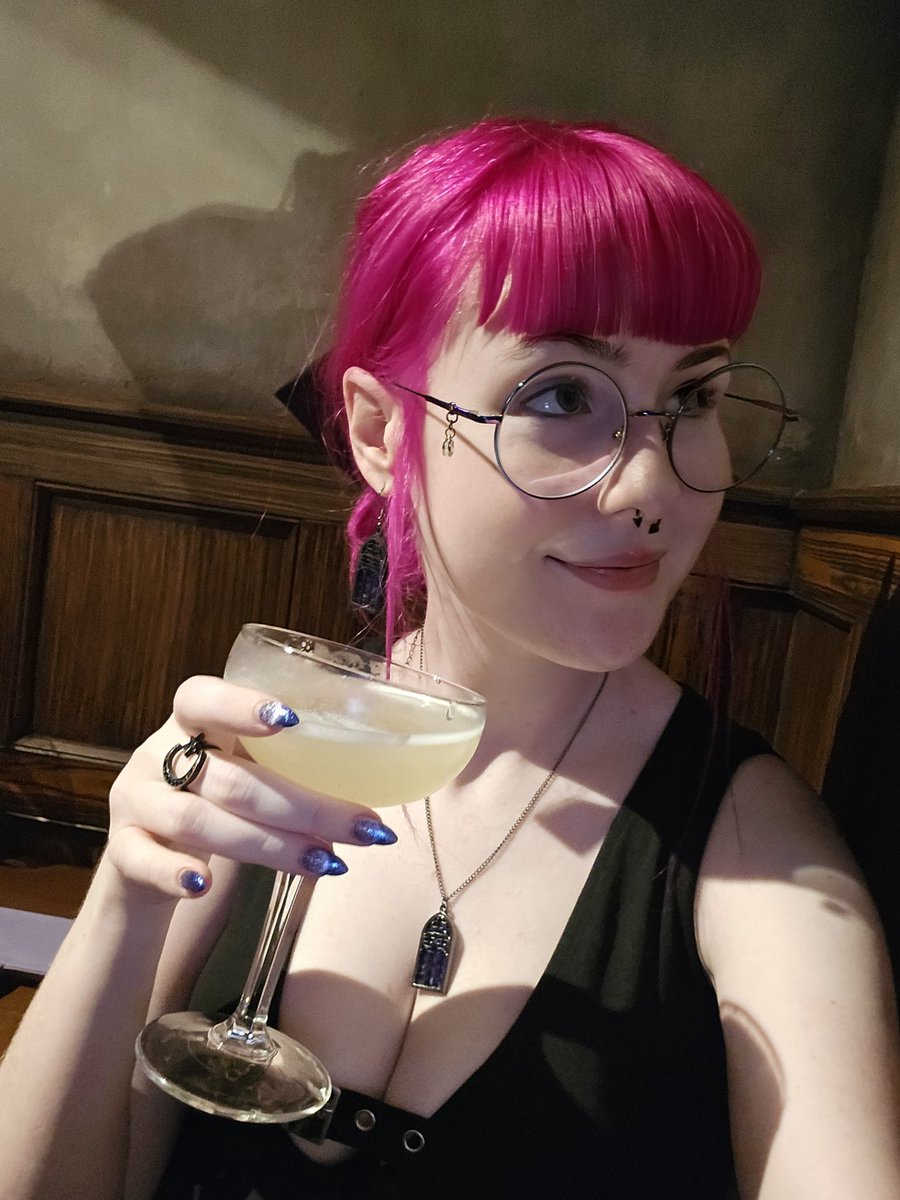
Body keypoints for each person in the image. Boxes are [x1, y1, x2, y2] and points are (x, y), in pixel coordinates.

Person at [1, 118, 898, 1200]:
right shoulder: (262, 762)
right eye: (563, 395)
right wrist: (124, 894)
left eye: (694, 398)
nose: (653, 486)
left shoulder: (757, 851)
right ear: (383, 434)